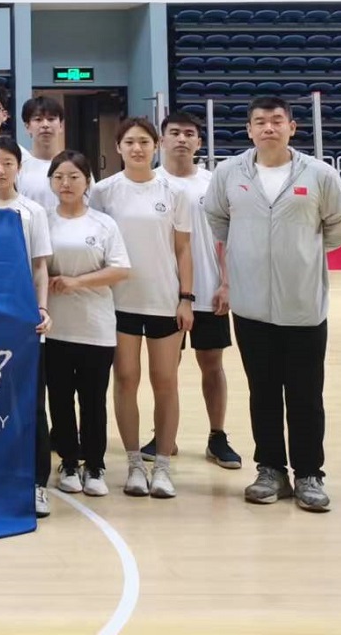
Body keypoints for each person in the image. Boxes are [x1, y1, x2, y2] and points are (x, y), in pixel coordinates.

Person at [206, 96, 341, 512]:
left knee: (306, 394)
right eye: (260, 122)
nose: (268, 128)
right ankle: (270, 469)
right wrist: (248, 251)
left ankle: (309, 473)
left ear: (292, 127)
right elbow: (217, 218)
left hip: (303, 304)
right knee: (263, 391)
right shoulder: (229, 173)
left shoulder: (319, 174)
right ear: (249, 130)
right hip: (251, 305)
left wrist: (302, 254)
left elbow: (339, 224)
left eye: (276, 121)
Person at [89, 118, 194, 500]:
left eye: (144, 142)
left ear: (156, 146)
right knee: (126, 379)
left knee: (165, 381)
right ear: (118, 147)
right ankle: (134, 463)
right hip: (119, 302)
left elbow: (183, 248)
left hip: (164, 300)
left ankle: (162, 465)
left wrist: (186, 298)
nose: (137, 148)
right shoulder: (103, 192)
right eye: (130, 142)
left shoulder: (175, 192)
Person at [155, 111, 242, 471]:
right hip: (164, 294)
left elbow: (228, 237)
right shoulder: (151, 182)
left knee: (212, 364)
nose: (181, 139)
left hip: (208, 290)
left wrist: (226, 283)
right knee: (165, 368)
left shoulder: (214, 183)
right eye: (174, 132)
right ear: (162, 140)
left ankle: (217, 435)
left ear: (199, 142)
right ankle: (164, 436)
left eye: (189, 133)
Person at [44, 151, 131, 498]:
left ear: (87, 182)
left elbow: (121, 269)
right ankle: (68, 461)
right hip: (54, 328)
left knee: (93, 400)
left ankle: (94, 464)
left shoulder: (103, 224)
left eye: (74, 177)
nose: (66, 183)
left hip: (95, 326)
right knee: (60, 399)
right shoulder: (43, 220)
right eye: (59, 177)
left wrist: (76, 282)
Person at [0, 137, 54, 519]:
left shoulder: (32, 212)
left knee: (31, 402)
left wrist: (41, 308)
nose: (0, 169)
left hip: (22, 318)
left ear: (18, 168)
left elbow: (40, 267)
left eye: (7, 163)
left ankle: (38, 483)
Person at [18, 97, 66, 212]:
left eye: (51, 119)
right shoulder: (18, 167)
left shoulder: (76, 166)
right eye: (38, 119)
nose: (45, 125)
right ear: (27, 127)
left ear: (61, 126)